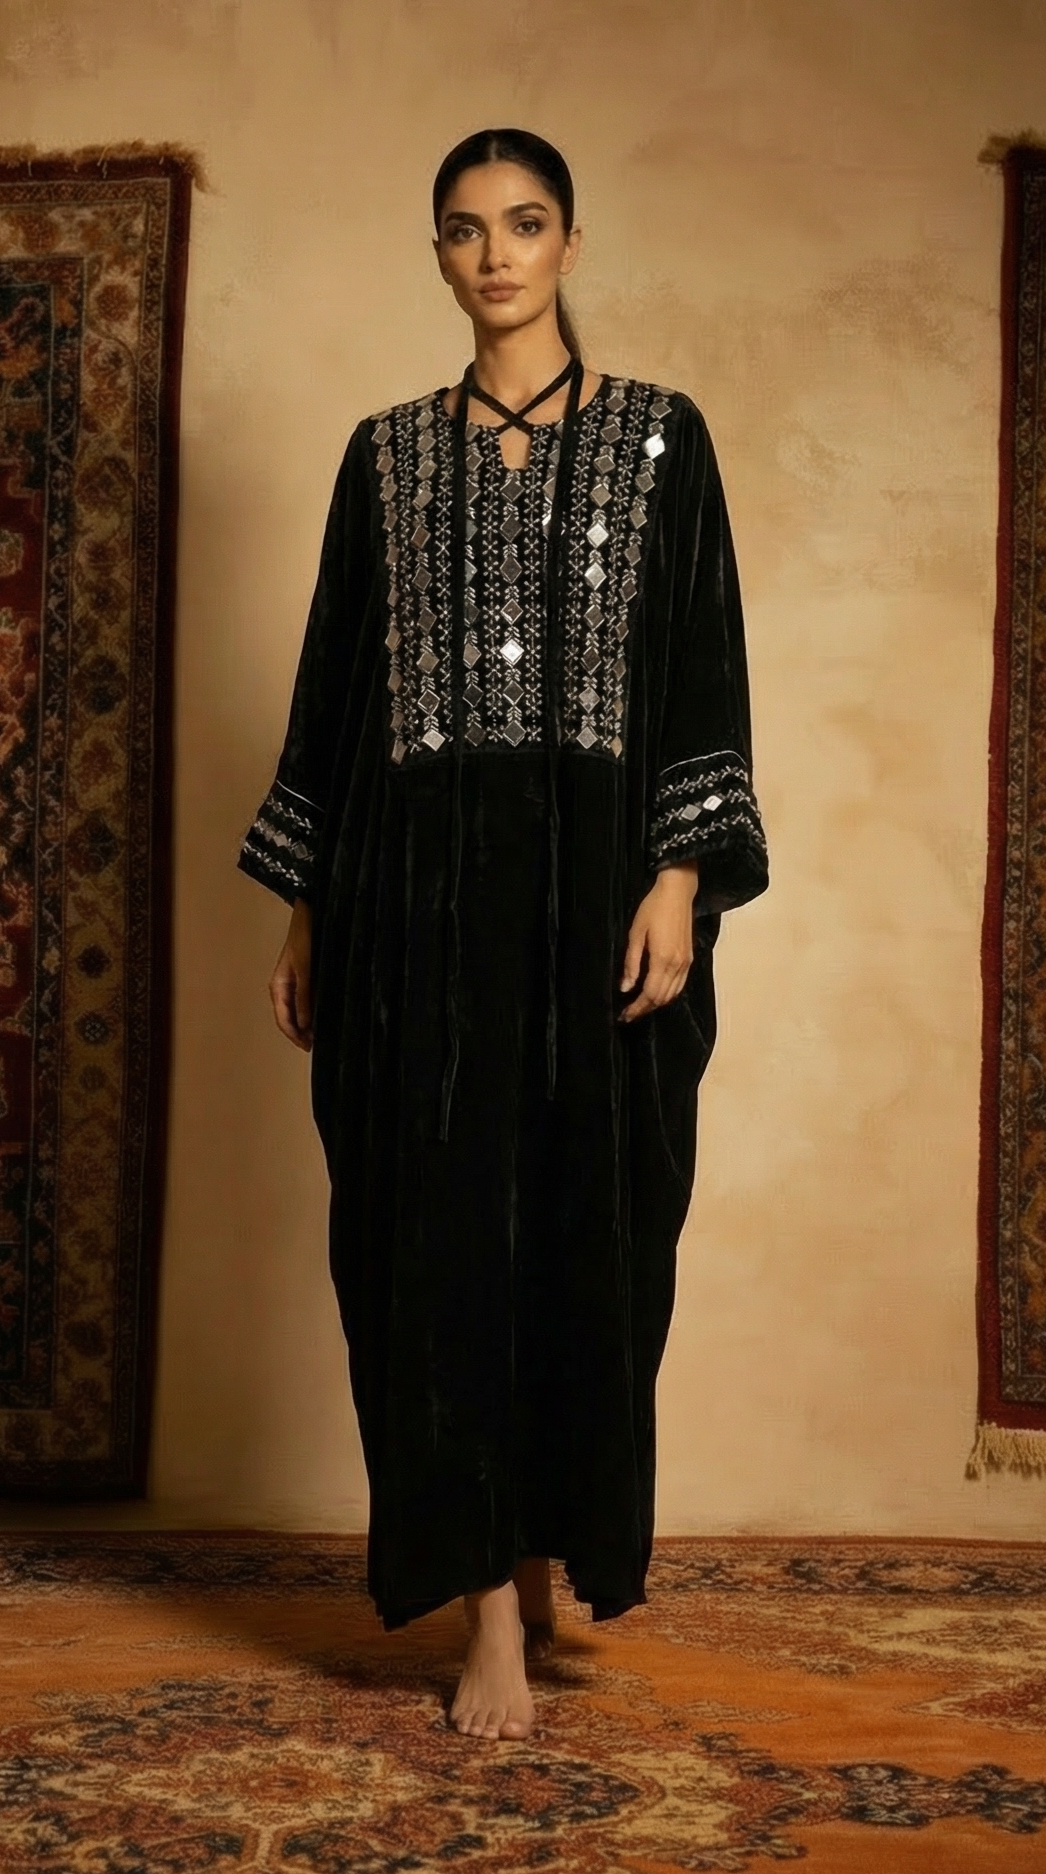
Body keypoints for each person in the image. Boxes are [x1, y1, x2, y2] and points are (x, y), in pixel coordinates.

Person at [238, 127, 768, 1742]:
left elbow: (701, 661)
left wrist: (676, 878)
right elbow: (336, 693)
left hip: (595, 906)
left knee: (594, 1236)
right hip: (421, 920)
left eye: (524, 224)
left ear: (569, 244)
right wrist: (310, 907)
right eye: (465, 231)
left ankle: (544, 1548)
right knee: (440, 1244)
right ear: (438, 256)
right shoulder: (385, 457)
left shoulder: (661, 440)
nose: (495, 256)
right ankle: (484, 1617)